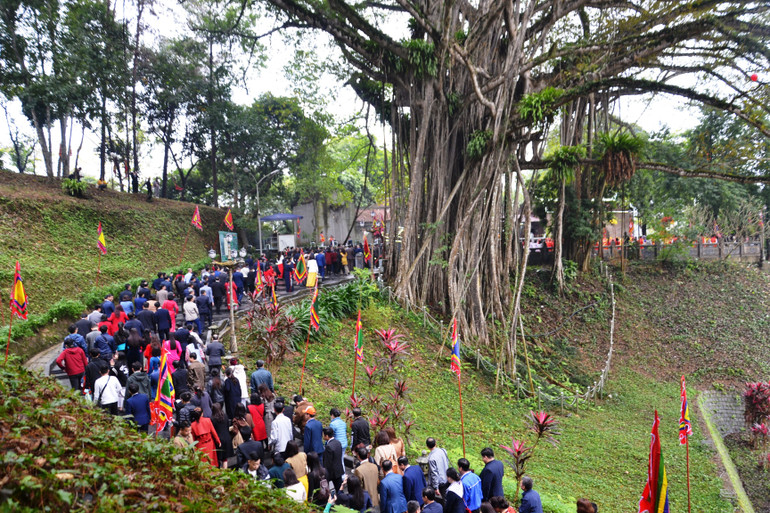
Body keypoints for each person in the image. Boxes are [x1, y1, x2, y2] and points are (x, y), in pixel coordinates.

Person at [322, 427, 344, 492]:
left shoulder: (329, 447)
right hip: (339, 469)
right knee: (339, 489)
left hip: (332, 472)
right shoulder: (338, 442)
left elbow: (327, 462)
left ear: (326, 436)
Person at [211, 403, 232, 469]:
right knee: (225, 458)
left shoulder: (212, 419)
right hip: (227, 438)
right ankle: (225, 470)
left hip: (218, 440)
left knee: (218, 457)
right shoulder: (225, 416)